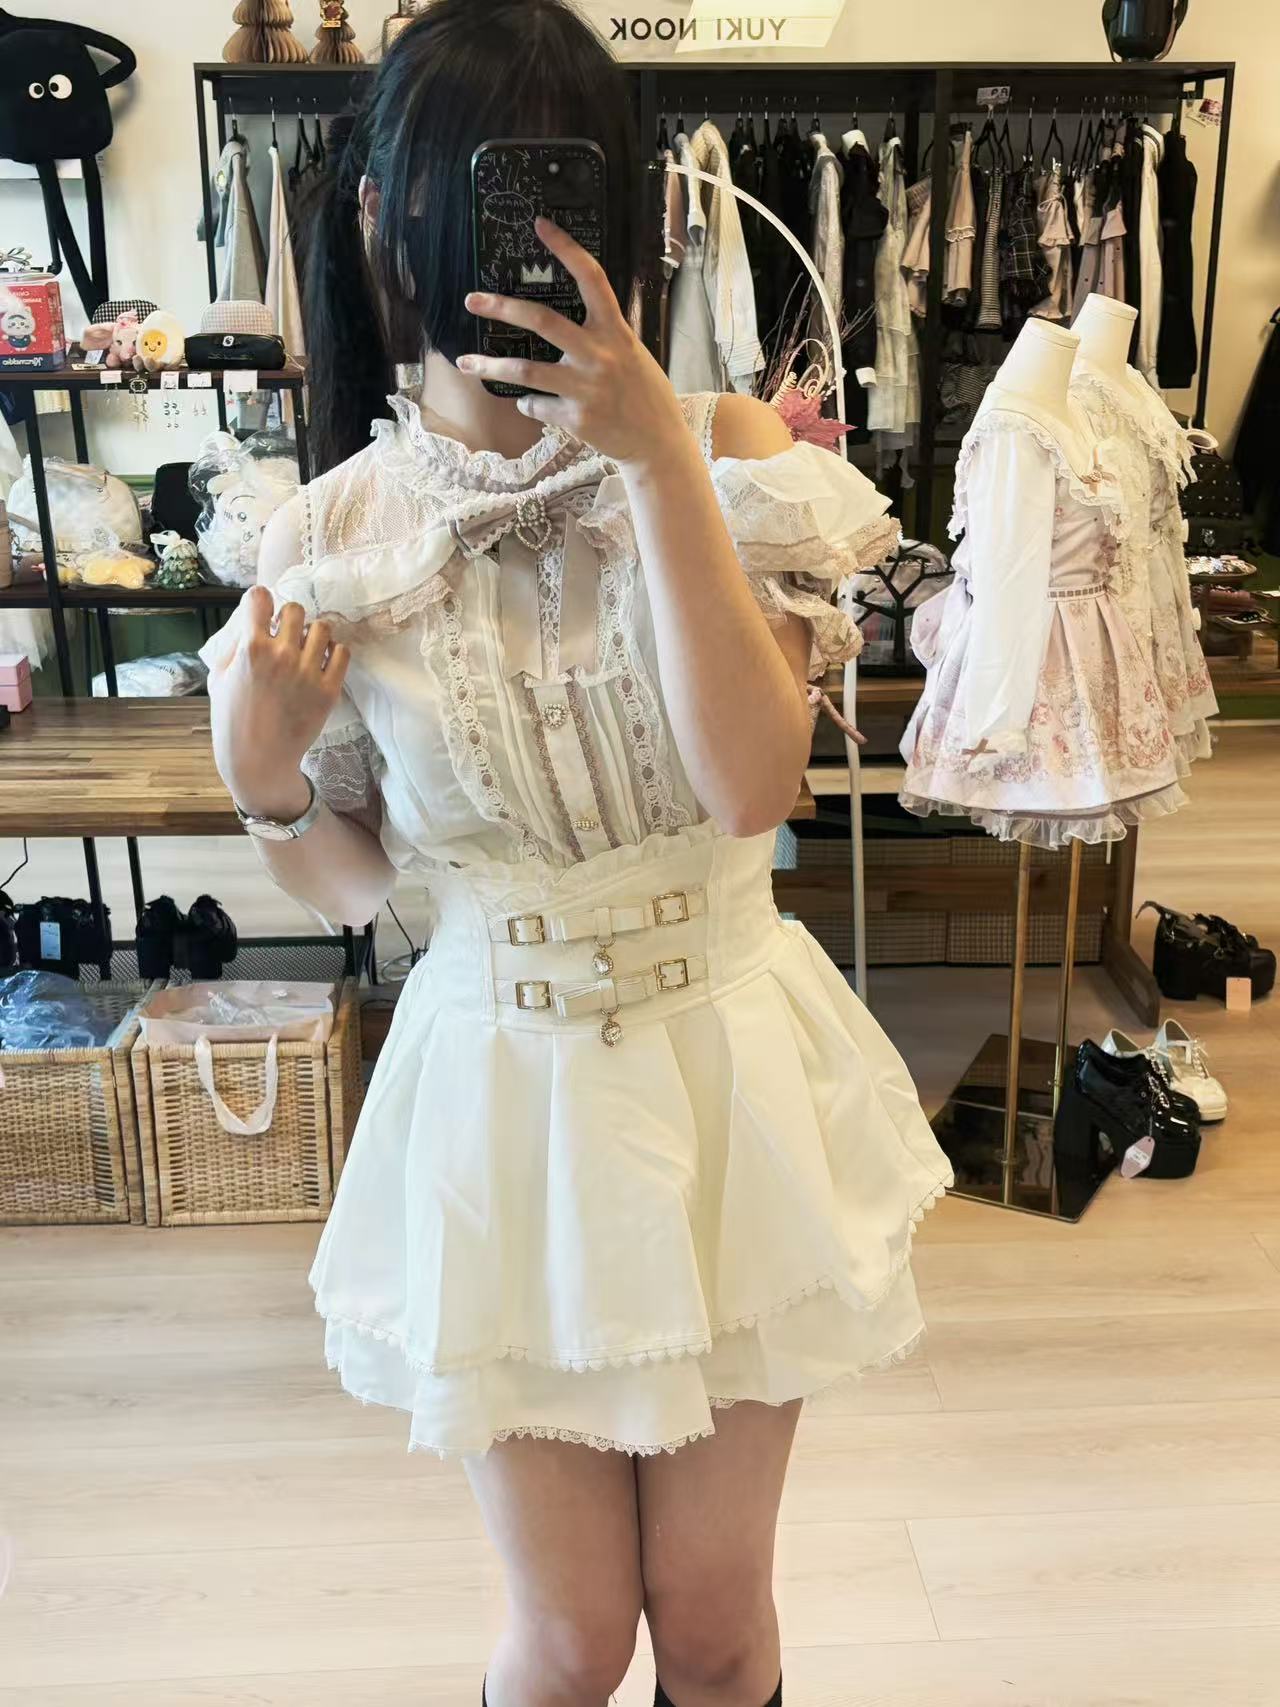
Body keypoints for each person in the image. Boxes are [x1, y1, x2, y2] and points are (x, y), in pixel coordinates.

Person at [201, 4, 952, 1703]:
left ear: (625, 217)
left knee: (717, 1627)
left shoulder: (738, 464)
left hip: (727, 1077)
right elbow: (359, 890)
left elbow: (751, 786)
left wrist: (664, 458)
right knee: (565, 1639)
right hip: (503, 1101)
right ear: (386, 215)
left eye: (562, 197)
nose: (522, 247)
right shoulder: (328, 540)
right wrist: (263, 779)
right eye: (477, 196)